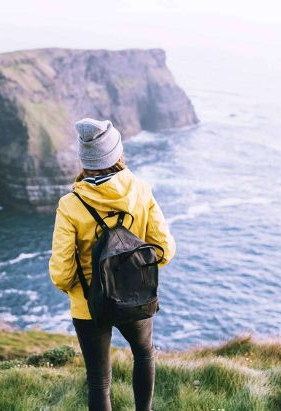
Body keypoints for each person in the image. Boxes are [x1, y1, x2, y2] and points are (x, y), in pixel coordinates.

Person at [49, 118, 176, 411]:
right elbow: (164, 249)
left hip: (88, 305)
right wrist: (132, 269)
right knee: (144, 354)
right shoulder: (141, 189)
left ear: (85, 160)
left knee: (98, 382)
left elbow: (62, 273)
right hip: (135, 295)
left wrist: (80, 289)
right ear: (117, 154)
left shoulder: (70, 205)